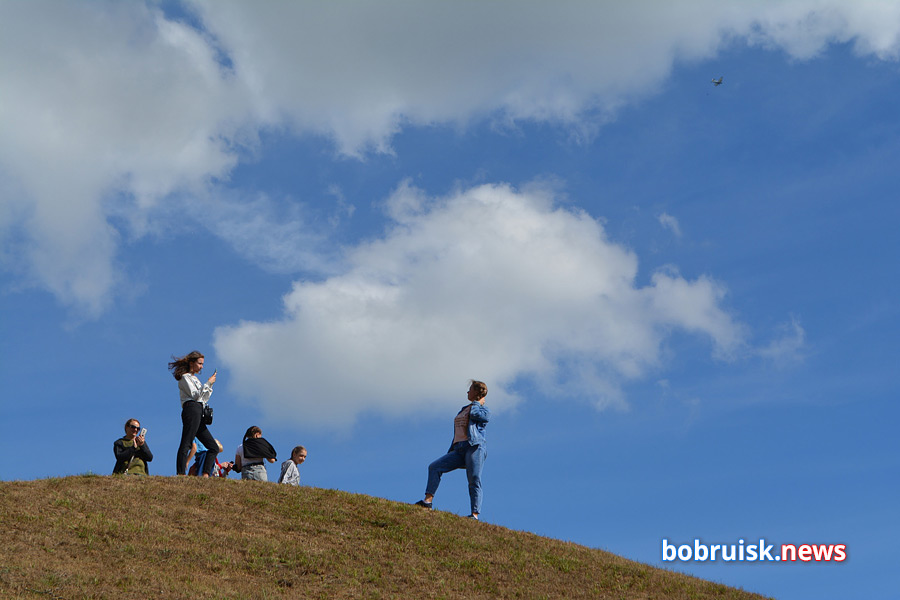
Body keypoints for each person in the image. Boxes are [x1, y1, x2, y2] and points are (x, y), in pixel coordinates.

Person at [414, 380, 490, 519]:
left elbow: (476, 415)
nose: (467, 392)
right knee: (434, 467)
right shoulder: (463, 409)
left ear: (476, 392)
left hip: (474, 447)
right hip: (459, 448)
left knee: (474, 479)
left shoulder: (482, 410)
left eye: (470, 389)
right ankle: (427, 502)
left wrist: (477, 403)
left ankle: (474, 515)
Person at [169, 350, 219, 476]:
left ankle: (206, 474)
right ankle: (181, 473)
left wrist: (210, 385)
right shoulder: (185, 377)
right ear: (192, 363)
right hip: (191, 408)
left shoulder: (195, 379)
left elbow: (203, 398)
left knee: (213, 447)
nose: (201, 367)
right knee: (187, 442)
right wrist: (208, 383)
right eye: (200, 363)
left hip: (199, 410)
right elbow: (195, 395)